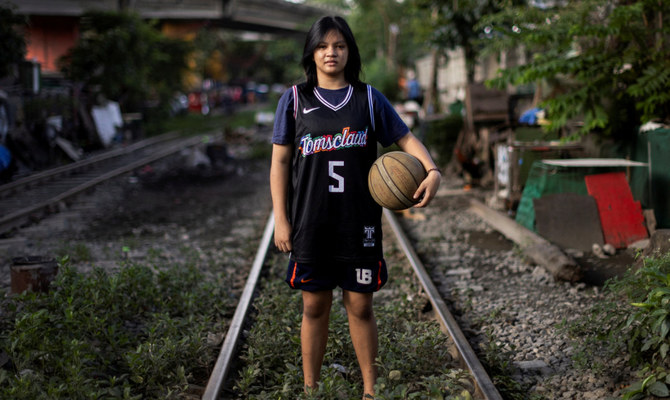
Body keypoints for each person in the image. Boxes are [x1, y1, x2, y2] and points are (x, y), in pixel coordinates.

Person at [270, 15, 441, 399]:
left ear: (350, 51)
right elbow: (280, 163)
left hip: (357, 222)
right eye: (323, 46)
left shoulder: (368, 99)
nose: (331, 53)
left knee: (360, 307)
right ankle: (311, 390)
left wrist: (432, 170)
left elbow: (406, 140)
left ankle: (370, 392)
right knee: (314, 306)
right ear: (311, 53)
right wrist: (281, 219)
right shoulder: (295, 100)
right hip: (311, 223)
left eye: (340, 45)